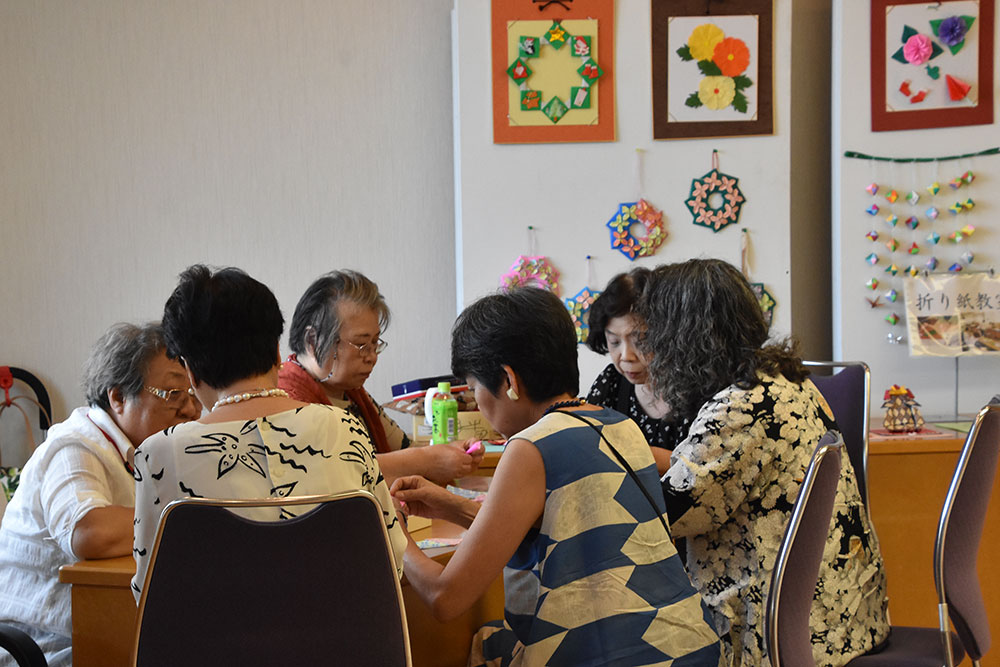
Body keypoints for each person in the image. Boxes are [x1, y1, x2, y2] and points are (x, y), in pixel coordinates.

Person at [391, 287, 721, 667]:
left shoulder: (530, 447)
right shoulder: (620, 426)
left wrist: (392, 531)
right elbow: (561, 528)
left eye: (476, 387)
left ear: (508, 380)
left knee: (483, 645)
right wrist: (449, 505)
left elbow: (445, 598)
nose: (479, 403)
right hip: (688, 648)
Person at [638, 258, 889, 667]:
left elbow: (673, 514)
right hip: (843, 614)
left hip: (776, 632)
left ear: (681, 338)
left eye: (654, 336)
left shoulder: (739, 407)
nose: (650, 350)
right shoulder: (786, 382)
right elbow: (717, 474)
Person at [132, 265, 406, 600]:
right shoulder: (344, 427)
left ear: (189, 368)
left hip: (218, 651)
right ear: (277, 352)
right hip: (342, 648)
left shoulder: (158, 454)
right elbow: (391, 561)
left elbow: (151, 592)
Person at [0, 323, 200, 666]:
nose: (191, 411)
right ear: (118, 397)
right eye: (174, 395)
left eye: (193, 394)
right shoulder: (74, 445)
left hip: (111, 628)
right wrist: (187, 513)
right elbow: (90, 533)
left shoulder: (151, 452)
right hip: (48, 646)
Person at [279, 270, 482, 484]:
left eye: (375, 343)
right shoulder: (286, 399)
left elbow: (404, 448)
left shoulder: (353, 394)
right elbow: (332, 470)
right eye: (361, 344)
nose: (372, 357)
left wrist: (450, 452)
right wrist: (426, 459)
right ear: (313, 340)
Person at [585, 268, 687, 474]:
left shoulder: (694, 386)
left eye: (640, 341)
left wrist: (639, 456)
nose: (626, 356)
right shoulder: (610, 384)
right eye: (614, 342)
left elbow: (707, 468)